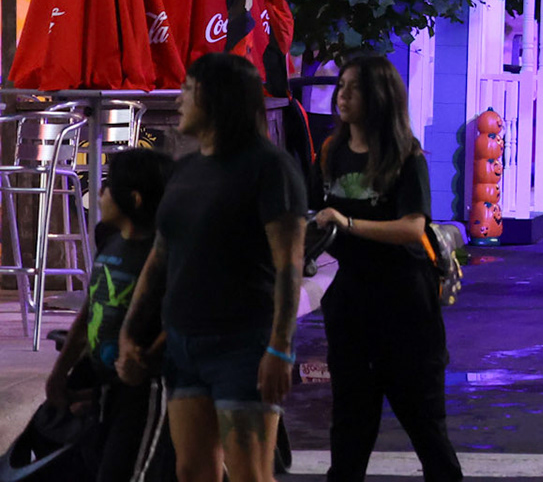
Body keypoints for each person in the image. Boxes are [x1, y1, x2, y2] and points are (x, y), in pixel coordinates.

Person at [117, 53, 307, 482]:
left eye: (188, 89)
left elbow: (289, 265)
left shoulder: (269, 168)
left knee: (250, 473)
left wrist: (280, 347)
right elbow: (161, 256)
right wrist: (130, 328)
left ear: (217, 97)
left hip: (243, 344)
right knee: (193, 471)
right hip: (183, 343)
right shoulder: (186, 170)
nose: (180, 100)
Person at [313, 55, 463, 482]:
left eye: (353, 88)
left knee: (424, 422)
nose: (342, 96)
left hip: (405, 304)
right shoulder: (331, 152)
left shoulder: (404, 155)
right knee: (350, 425)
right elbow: (313, 211)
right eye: (340, 87)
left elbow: (413, 228)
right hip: (349, 302)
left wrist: (349, 223)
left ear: (378, 96)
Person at [46, 147, 173, 482]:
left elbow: (181, 316)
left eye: (107, 186)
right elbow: (90, 309)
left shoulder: (159, 256)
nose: (99, 193)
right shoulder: (110, 243)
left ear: (133, 199)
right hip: (106, 389)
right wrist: (61, 371)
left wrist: (146, 359)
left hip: (144, 391)